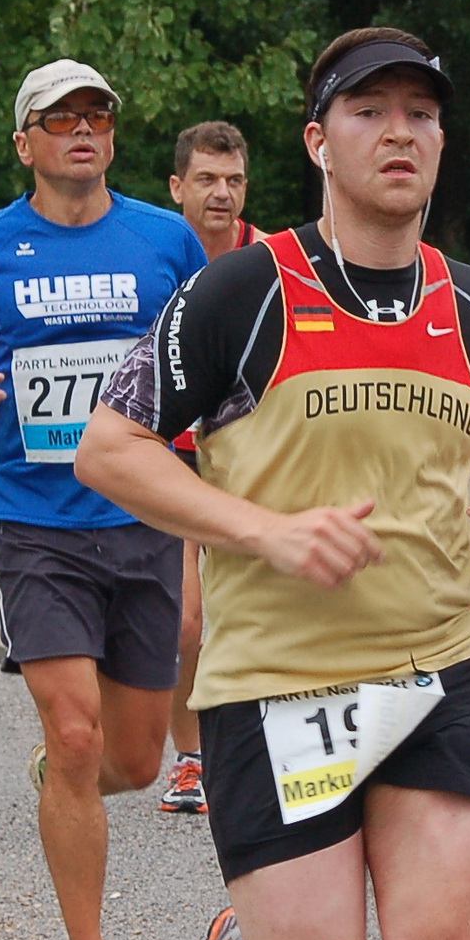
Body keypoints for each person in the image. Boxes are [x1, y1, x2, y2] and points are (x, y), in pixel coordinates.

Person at [76, 28, 470, 940]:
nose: (401, 134)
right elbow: (110, 448)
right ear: (317, 140)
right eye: (371, 112)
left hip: (443, 672)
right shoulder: (246, 291)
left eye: (423, 115)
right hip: (278, 690)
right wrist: (265, 532)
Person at [0, 59, 206, 940]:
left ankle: (61, 779)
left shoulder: (167, 241)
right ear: (23, 141)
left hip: (145, 524)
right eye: (59, 116)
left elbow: (211, 359)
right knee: (76, 733)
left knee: (128, 754)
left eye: (98, 115)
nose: (83, 128)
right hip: (34, 521)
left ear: (113, 138)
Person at [160, 122, 266, 815]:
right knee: (187, 623)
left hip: (254, 463)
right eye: (205, 179)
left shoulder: (272, 260)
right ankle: (189, 756)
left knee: (263, 610)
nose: (220, 193)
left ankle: (264, 750)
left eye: (231, 180)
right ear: (177, 188)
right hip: (175, 459)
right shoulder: (160, 259)